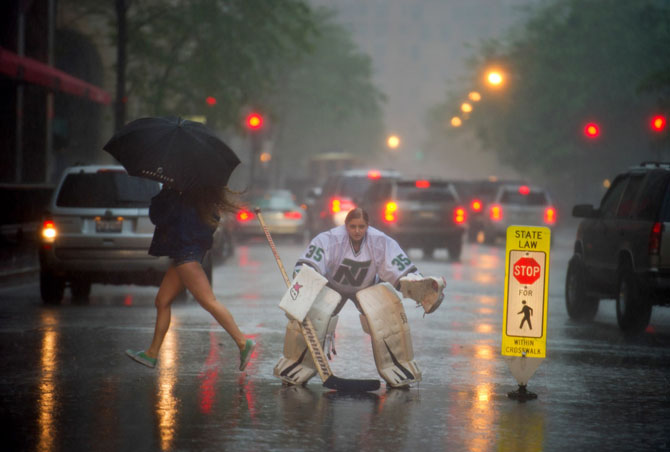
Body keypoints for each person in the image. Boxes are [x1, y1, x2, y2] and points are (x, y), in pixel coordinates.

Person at [273, 207, 445, 388]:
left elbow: (399, 268)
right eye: (352, 226)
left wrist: (419, 285)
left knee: (387, 320)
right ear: (345, 225)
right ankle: (297, 363)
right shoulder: (329, 239)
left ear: (367, 226)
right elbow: (309, 265)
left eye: (361, 227)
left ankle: (398, 366)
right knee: (312, 317)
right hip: (333, 286)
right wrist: (303, 282)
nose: (357, 231)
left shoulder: (380, 241)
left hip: (367, 286)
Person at [126, 185, 255, 370]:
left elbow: (158, 216)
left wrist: (166, 193)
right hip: (186, 253)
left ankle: (243, 343)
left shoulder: (184, 194)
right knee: (162, 301)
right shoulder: (202, 196)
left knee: (209, 301)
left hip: (186, 255)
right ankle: (152, 354)